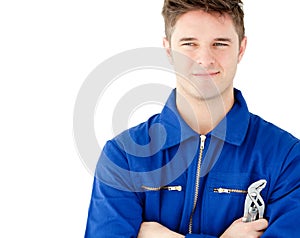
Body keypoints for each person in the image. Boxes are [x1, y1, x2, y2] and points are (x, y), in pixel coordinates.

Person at [84, 0, 300, 237]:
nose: (204, 59)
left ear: (241, 48)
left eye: (220, 43)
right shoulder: (123, 156)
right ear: (168, 50)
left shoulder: (287, 157)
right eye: (189, 44)